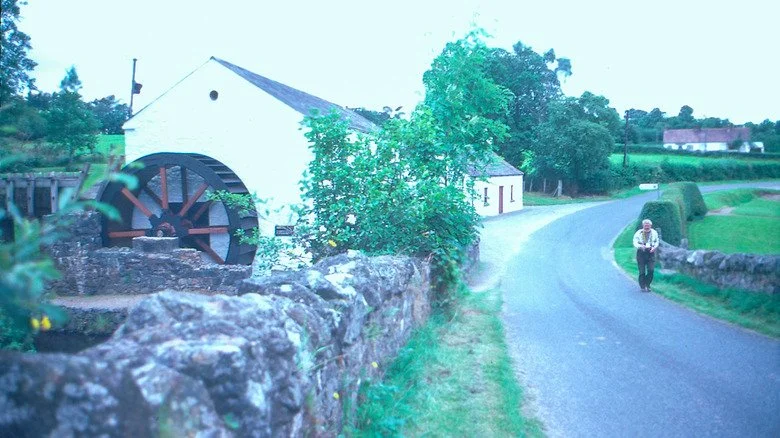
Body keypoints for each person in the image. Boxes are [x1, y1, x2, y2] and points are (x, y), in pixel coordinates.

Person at [633, 219, 659, 292]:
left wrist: (654, 247)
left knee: (651, 270)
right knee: (642, 272)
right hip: (641, 253)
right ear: (643, 225)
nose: (647, 226)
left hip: (650, 253)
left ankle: (648, 284)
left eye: (648, 225)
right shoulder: (639, 233)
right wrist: (640, 246)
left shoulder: (654, 232)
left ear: (651, 225)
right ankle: (642, 286)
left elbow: (657, 241)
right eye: (645, 225)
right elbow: (635, 242)